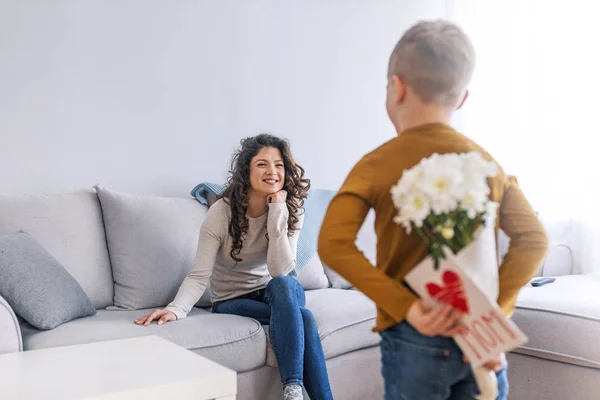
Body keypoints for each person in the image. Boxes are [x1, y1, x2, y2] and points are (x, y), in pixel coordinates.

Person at [317, 20, 548, 400]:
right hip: (479, 338)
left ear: (397, 86)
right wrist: (492, 313)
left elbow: (333, 244)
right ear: (461, 99)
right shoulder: (485, 163)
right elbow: (534, 240)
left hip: (414, 338)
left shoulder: (377, 164)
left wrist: (406, 306)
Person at [135, 134, 333, 400]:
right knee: (305, 318)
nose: (272, 171)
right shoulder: (221, 213)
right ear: (246, 171)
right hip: (232, 300)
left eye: (279, 165)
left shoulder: (291, 209)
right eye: (262, 164)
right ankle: (296, 389)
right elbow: (199, 274)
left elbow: (281, 271)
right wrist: (175, 310)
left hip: (273, 291)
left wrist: (277, 212)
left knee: (285, 283)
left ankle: (292, 391)